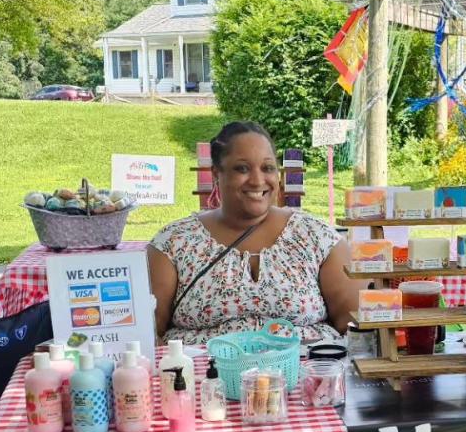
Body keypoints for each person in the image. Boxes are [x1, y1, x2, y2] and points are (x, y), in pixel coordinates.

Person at [148, 121, 361, 345]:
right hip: (205, 377)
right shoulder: (173, 243)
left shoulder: (317, 238)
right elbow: (147, 332)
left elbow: (356, 327)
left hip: (310, 375)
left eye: (268, 168)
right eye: (242, 168)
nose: (258, 180)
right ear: (216, 173)